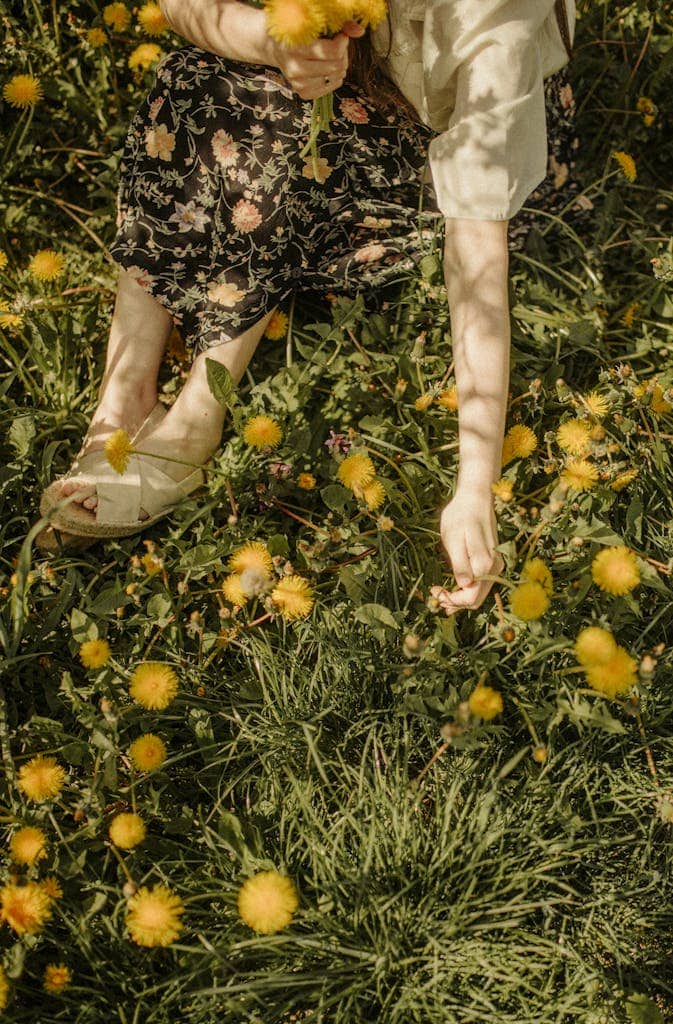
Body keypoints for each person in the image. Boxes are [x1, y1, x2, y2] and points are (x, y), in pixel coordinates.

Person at [38, 0, 579, 618]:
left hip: (458, 152)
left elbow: (477, 261)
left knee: (276, 124)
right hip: (339, 88)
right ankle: (124, 397)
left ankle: (192, 427)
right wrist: (272, 43)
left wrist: (474, 489)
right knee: (194, 77)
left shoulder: (489, 24)